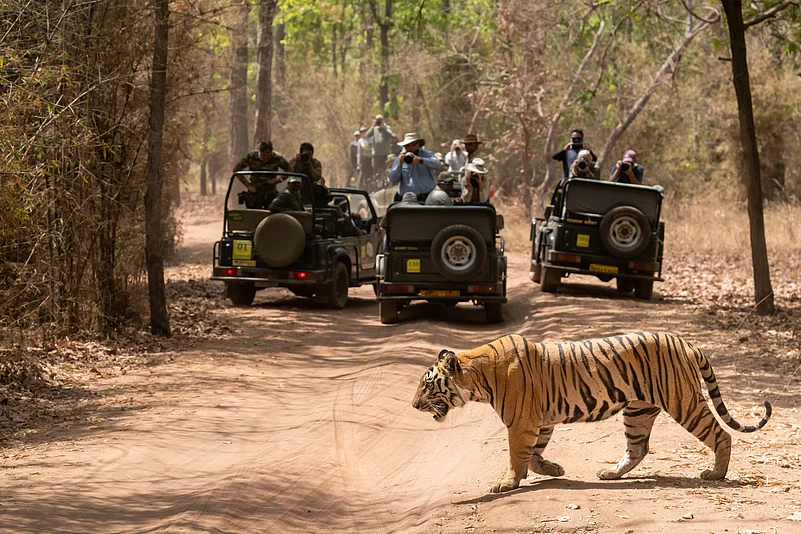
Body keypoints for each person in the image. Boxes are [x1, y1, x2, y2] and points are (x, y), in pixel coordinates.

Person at [233, 140, 292, 209]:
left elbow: (290, 170)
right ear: (259, 152)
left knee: (275, 208)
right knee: (253, 212)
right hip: (255, 190)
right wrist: (248, 185)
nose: (266, 157)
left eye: (268, 155)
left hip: (270, 190)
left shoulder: (277, 158)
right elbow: (236, 170)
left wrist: (278, 180)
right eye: (263, 154)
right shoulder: (251, 156)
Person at [389, 133, 440, 202]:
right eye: (407, 145)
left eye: (413, 144)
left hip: (427, 197)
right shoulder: (400, 158)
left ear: (419, 144)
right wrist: (400, 165)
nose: (410, 147)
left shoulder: (426, 154)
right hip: (407, 199)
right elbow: (393, 179)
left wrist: (421, 160)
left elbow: (437, 164)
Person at [366, 115, 394, 186]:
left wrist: (383, 127)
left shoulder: (387, 127)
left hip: (386, 154)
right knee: (376, 171)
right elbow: (367, 135)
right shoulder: (374, 129)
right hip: (376, 154)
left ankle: (388, 183)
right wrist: (372, 126)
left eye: (380, 120)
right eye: (377, 120)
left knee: (387, 170)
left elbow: (390, 134)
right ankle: (376, 184)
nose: (378, 121)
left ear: (383, 120)